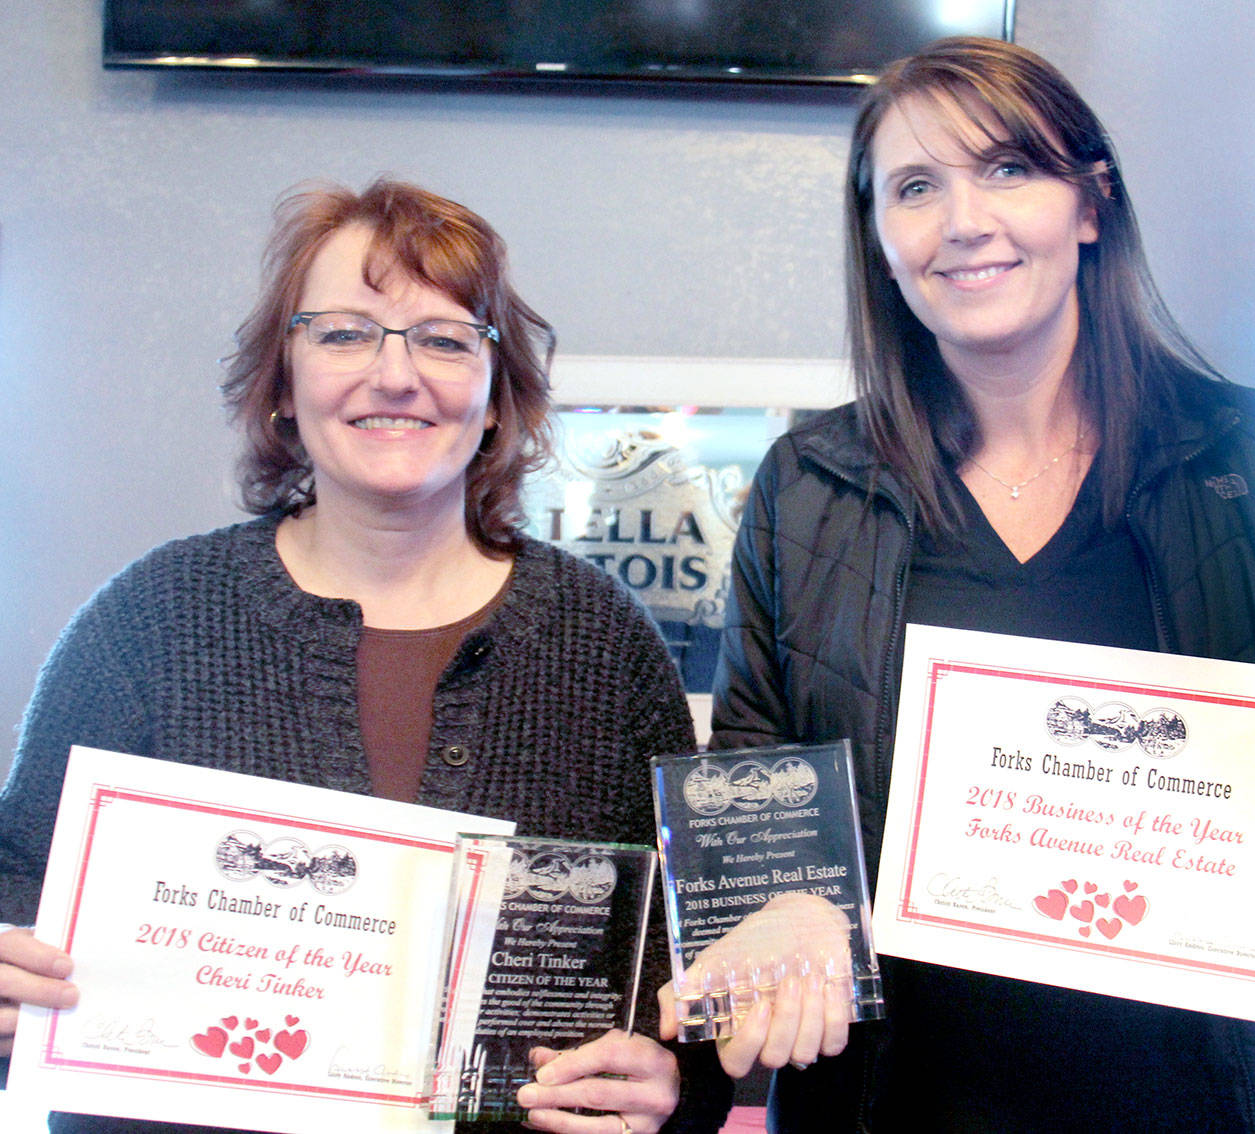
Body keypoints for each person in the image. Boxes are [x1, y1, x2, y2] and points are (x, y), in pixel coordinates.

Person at [0, 178, 731, 1134]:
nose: (396, 376)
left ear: (498, 396)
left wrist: (673, 1083)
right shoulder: (151, 621)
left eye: (443, 337)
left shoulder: (604, 645)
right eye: (344, 333)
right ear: (282, 382)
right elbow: (20, 892)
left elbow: (694, 982)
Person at [668, 36, 1255, 1131]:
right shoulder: (807, 486)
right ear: (878, 242)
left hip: (1200, 1101)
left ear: (1088, 205)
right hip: (890, 1102)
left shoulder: (1252, 454)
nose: (962, 221)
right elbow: (754, 770)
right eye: (913, 188)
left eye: (1006, 168)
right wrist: (784, 903)